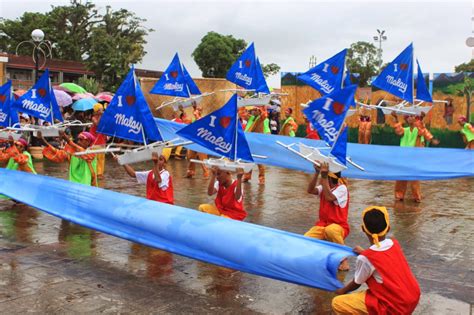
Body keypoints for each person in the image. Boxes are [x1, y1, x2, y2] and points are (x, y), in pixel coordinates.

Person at [332, 206, 420, 315]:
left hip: (395, 306)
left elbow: (356, 282)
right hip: (412, 298)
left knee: (338, 303)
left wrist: (341, 291)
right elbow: (381, 257)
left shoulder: (365, 258)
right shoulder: (393, 243)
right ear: (388, 228)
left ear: (363, 229)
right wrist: (365, 253)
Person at [305, 162, 350, 270]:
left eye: (324, 177)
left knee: (330, 230)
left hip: (339, 226)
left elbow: (330, 197)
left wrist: (324, 177)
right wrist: (316, 173)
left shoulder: (342, 189)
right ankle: (320, 258)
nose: (322, 178)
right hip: (322, 225)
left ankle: (344, 261)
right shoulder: (324, 186)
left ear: (329, 179)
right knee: (306, 240)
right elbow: (310, 190)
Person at [391, 111, 437, 202]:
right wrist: (396, 117)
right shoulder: (405, 130)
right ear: (406, 119)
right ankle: (399, 196)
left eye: (412, 116)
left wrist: (422, 118)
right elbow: (398, 130)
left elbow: (423, 130)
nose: (410, 118)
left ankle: (417, 198)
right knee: (400, 178)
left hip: (415, 158)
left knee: (414, 179)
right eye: (409, 116)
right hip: (403, 158)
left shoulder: (418, 129)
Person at [244, 107, 269, 184]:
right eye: (253, 110)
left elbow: (264, 115)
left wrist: (262, 109)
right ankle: (247, 177)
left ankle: (262, 179)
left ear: (259, 111)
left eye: (255, 110)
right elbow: (244, 114)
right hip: (249, 142)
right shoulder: (251, 118)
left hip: (258, 143)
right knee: (248, 160)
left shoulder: (260, 119)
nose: (253, 112)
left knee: (259, 161)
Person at [185, 106, 209, 178]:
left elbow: (202, 125)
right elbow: (186, 123)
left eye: (199, 110)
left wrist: (197, 116)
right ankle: (191, 171)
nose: (198, 111)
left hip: (201, 142)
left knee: (203, 158)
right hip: (193, 140)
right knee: (190, 156)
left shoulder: (203, 119)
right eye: (197, 110)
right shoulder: (192, 120)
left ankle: (206, 172)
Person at [89, 103, 107, 178]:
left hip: (102, 140)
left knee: (101, 158)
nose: (102, 111)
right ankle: (95, 173)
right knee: (95, 157)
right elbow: (97, 124)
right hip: (95, 140)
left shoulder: (104, 117)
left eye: (102, 109)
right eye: (100, 110)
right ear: (96, 111)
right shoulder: (94, 118)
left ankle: (100, 173)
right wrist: (100, 115)